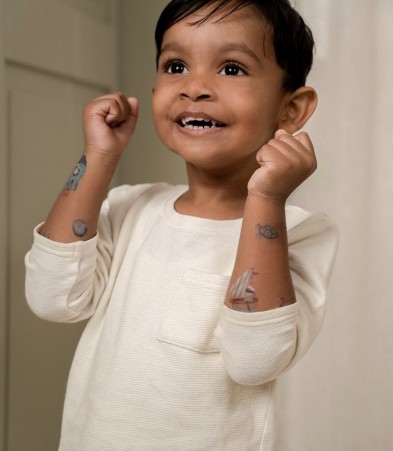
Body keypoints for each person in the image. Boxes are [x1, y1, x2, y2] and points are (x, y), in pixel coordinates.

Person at [25, 0, 338, 449]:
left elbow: (254, 360)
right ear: (154, 91)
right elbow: (52, 299)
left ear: (291, 109)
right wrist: (99, 157)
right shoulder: (130, 207)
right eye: (176, 66)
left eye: (231, 68)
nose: (195, 87)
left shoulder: (303, 234)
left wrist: (267, 199)